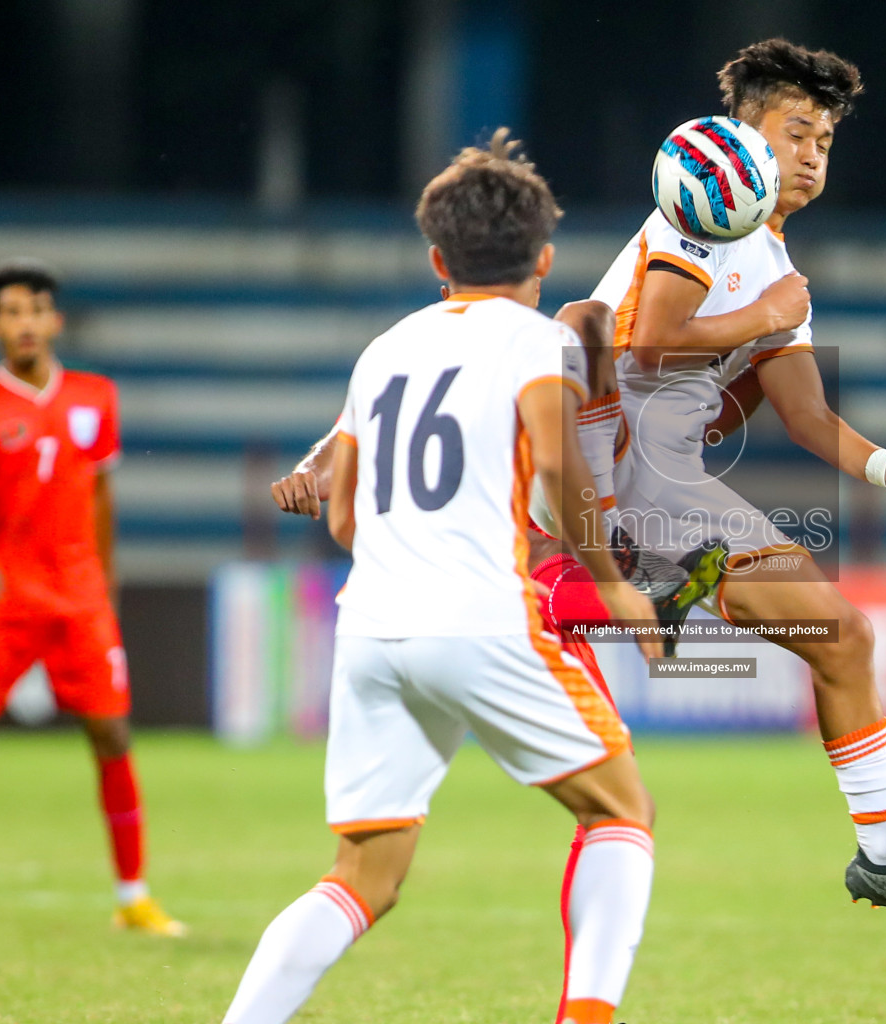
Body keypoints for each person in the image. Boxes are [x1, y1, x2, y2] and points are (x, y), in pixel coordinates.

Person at [223, 129, 663, 1024]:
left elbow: (343, 516)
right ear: (544, 256)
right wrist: (612, 582)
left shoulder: (383, 349)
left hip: (372, 630)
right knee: (620, 811)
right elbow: (553, 467)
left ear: (436, 258)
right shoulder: (537, 341)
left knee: (363, 876)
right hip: (483, 616)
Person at [588, 38, 886, 913]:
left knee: (841, 640)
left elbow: (806, 416)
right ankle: (618, 581)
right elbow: (644, 343)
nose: (812, 153)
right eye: (796, 131)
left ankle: (884, 863)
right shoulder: (702, 200)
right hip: (609, 454)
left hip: (656, 472)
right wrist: (761, 317)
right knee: (836, 635)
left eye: (825, 140)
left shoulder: (773, 265)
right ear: (742, 134)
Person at [0, 260, 184, 935]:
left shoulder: (96, 397)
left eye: (35, 310)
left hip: (78, 597)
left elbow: (100, 491)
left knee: (112, 734)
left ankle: (133, 896)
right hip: (4, 597)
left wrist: (108, 576)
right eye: (11, 312)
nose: (25, 323)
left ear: (55, 320)